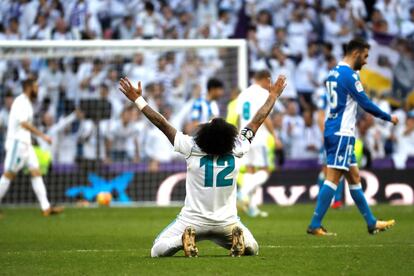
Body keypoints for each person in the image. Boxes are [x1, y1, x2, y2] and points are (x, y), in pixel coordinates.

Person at [118, 74, 286, 257]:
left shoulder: (191, 146)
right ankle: (241, 242)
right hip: (227, 223)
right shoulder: (238, 147)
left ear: (205, 133)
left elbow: (162, 123)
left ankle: (181, 240)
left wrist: (138, 99)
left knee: (157, 250)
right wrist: (273, 96)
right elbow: (257, 120)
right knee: (253, 247)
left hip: (191, 222)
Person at [307, 38, 399, 236]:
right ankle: (315, 224)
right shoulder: (349, 75)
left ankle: (372, 222)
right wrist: (388, 117)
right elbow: (365, 103)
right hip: (341, 132)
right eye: (365, 57)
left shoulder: (333, 72)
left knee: (354, 177)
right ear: (356, 53)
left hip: (337, 130)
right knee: (332, 178)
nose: (366, 61)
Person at [0, 79, 63, 216]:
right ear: (28, 87)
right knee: (9, 174)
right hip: (17, 143)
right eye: (36, 86)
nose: (38, 89)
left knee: (36, 172)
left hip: (26, 145)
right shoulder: (20, 102)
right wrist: (43, 136)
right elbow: (23, 124)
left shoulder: (27, 103)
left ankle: (46, 207)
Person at [237, 70, 280, 217]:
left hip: (244, 137)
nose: (270, 85)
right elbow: (265, 116)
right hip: (258, 136)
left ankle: (251, 207)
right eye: (270, 81)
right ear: (265, 79)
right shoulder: (262, 93)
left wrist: (239, 137)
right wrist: (275, 136)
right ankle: (242, 193)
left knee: (250, 171)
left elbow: (239, 118)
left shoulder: (243, 94)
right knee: (265, 170)